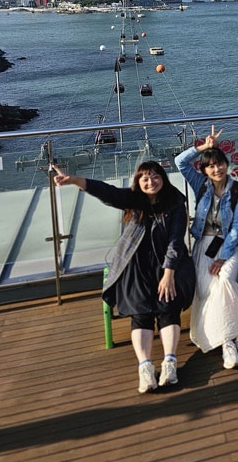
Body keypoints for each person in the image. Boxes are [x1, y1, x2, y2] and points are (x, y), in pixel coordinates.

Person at [51, 160, 195, 393]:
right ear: (138, 182)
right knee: (140, 313)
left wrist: (168, 273)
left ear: (163, 178)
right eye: (145, 178)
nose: (151, 181)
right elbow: (108, 193)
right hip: (134, 265)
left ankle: (170, 362)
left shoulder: (175, 202)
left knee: (168, 308)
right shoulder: (133, 199)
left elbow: (176, 241)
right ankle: (145, 367)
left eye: (156, 176)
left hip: (167, 265)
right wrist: (75, 180)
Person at [175, 126, 238, 370]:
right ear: (205, 170)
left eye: (220, 164)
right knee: (210, 286)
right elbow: (179, 162)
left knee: (227, 279)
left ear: (226, 164)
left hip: (229, 245)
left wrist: (224, 257)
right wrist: (203, 147)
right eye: (211, 165)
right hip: (204, 243)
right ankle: (231, 341)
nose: (217, 169)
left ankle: (236, 338)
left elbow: (237, 227)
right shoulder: (200, 184)